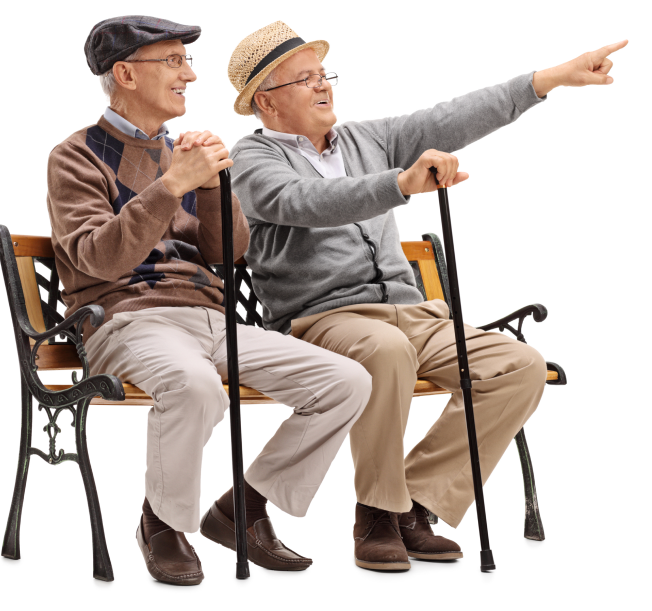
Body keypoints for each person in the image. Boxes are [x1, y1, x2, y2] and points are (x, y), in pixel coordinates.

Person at [227, 21, 626, 571]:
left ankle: (414, 501)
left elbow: (450, 117)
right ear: (265, 102)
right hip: (325, 319)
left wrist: (550, 79)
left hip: (414, 313)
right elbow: (306, 202)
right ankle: (375, 514)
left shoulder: (366, 138)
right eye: (305, 79)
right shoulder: (251, 160)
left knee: (519, 366)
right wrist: (399, 185)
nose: (324, 87)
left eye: (325, 75)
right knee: (385, 351)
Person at [47, 15, 373, 585]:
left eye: (187, 62)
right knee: (194, 387)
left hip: (209, 318)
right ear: (125, 73)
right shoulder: (76, 155)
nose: (190, 76)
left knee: (346, 382)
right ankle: (164, 524)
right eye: (173, 62)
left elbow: (227, 255)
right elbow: (98, 258)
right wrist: (171, 185)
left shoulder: (183, 153)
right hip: (126, 324)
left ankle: (242, 511)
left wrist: (208, 185)